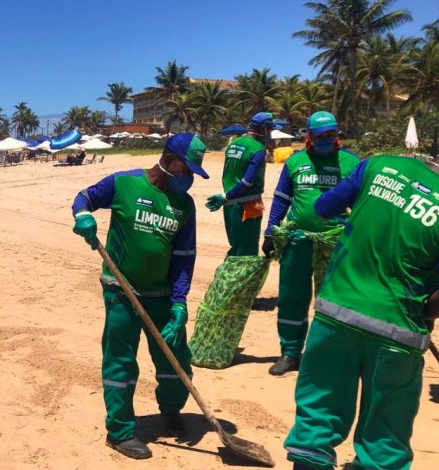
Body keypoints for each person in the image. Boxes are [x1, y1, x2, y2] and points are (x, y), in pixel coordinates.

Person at [283, 128, 439, 469]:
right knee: (385, 436)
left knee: (317, 419)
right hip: (399, 333)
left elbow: (323, 207)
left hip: (336, 315)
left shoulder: (376, 166)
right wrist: (424, 314)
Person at [71, 133, 209, 459]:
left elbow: (184, 257)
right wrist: (83, 218)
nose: (189, 178)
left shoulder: (184, 205)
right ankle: (119, 432)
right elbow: (84, 198)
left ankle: (171, 410)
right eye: (187, 169)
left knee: (176, 364)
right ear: (169, 158)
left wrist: (179, 303)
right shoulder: (124, 184)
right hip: (121, 291)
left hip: (161, 295)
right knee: (120, 362)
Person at [261, 111, 361, 376]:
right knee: (292, 297)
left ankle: (326, 354)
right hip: (297, 239)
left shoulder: (352, 163)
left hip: (335, 243)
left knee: (331, 300)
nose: (327, 140)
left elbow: (362, 206)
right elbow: (282, 198)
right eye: (321, 136)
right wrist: (270, 232)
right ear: (309, 136)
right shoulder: (295, 162)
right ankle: (290, 352)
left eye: (332, 134)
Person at [206, 112, 272, 256]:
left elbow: (226, 173)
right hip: (247, 206)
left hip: (229, 205)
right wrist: (227, 195)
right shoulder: (258, 150)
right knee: (246, 253)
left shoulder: (233, 145)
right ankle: (232, 278)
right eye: (270, 129)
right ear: (263, 129)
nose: (271, 133)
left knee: (236, 247)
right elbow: (247, 182)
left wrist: (226, 196)